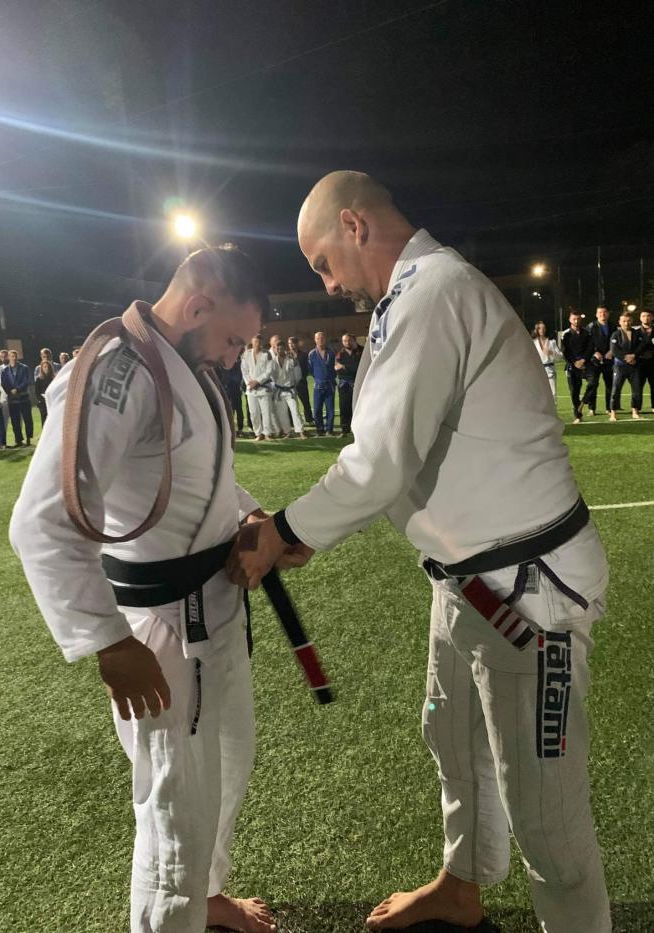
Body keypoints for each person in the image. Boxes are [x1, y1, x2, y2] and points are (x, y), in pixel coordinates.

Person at [227, 171, 612, 933]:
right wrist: (299, 525)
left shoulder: (434, 291)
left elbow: (380, 461)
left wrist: (285, 531)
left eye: (322, 263)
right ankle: (461, 887)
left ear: (354, 225)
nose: (327, 283)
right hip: (467, 581)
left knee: (547, 816)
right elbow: (389, 455)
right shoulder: (408, 298)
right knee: (454, 738)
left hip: (527, 592)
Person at [10, 245, 287, 933]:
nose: (234, 357)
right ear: (197, 306)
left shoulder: (185, 366)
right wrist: (108, 641)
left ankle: (206, 896)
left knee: (226, 769)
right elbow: (42, 522)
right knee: (174, 809)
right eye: (233, 340)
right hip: (162, 629)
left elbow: (199, 477)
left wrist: (251, 516)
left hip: (217, 610)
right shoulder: (119, 370)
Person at [561, 312, 596, 423]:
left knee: (593, 382)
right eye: (574, 319)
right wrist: (574, 362)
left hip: (586, 364)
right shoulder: (566, 334)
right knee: (574, 391)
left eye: (578, 319)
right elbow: (565, 352)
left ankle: (583, 402)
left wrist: (583, 360)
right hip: (572, 366)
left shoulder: (587, 333)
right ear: (570, 319)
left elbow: (590, 348)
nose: (576, 321)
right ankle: (578, 415)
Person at [241, 334, 276, 441]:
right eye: (256, 342)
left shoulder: (267, 354)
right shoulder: (246, 354)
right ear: (252, 342)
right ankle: (258, 433)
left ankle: (267, 433)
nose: (258, 344)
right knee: (254, 413)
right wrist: (249, 382)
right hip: (251, 389)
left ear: (262, 343)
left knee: (266, 412)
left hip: (264, 387)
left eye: (260, 342)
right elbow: (244, 370)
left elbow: (269, 371)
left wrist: (257, 381)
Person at [609, 310, 643, 421]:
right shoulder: (616, 334)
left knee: (637, 389)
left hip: (634, 366)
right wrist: (626, 359)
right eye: (624, 321)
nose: (626, 323)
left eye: (628, 321)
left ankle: (635, 411)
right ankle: (613, 413)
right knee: (616, 388)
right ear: (620, 322)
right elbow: (614, 350)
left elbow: (640, 347)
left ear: (632, 321)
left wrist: (634, 356)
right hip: (620, 366)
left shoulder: (637, 333)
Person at [272, 339, 306, 439]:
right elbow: (271, 376)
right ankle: (287, 432)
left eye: (281, 348)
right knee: (282, 413)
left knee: (295, 411)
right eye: (278, 349)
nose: (280, 350)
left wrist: (293, 385)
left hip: (290, 390)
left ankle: (300, 432)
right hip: (279, 391)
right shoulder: (273, 361)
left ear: (285, 349)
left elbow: (298, 375)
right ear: (275, 349)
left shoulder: (292, 360)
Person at [585, 306, 616, 415]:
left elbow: (616, 340)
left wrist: (611, 351)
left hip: (609, 360)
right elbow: (586, 342)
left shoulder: (613, 326)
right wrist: (594, 352)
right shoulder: (591, 326)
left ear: (608, 314)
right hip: (594, 361)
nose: (602, 314)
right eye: (600, 312)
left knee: (610, 385)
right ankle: (592, 408)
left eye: (605, 312)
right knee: (593, 384)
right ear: (596, 314)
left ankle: (609, 407)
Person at [0, 350, 33, 446]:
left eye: (15, 356)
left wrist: (17, 389)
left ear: (17, 357)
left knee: (27, 419)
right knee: (15, 421)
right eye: (12, 356)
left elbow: (26, 380)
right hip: (12, 399)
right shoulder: (5, 370)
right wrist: (10, 391)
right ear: (9, 357)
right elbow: (3, 383)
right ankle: (18, 440)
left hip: (23, 397)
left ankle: (28, 438)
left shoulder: (24, 368)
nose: (14, 358)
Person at [308, 331, 336, 436]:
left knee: (330, 410)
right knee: (317, 410)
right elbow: (310, 369)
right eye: (318, 338)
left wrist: (331, 377)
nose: (320, 340)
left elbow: (335, 367)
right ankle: (320, 430)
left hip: (329, 384)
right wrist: (318, 378)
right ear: (315, 340)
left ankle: (329, 430)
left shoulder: (331, 352)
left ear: (325, 339)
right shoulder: (312, 354)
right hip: (318, 385)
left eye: (322, 338)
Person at [335, 333, 362, 434]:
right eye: (345, 341)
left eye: (349, 340)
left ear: (353, 340)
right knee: (344, 407)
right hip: (344, 385)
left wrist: (344, 366)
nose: (347, 343)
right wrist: (349, 368)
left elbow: (358, 368)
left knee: (358, 407)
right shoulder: (340, 354)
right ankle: (345, 429)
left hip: (357, 384)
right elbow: (338, 371)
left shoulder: (360, 352)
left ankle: (358, 429)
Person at [531, 321, 561, 401]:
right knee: (539, 393)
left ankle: (553, 408)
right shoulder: (533, 343)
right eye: (540, 328)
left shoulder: (552, 342)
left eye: (544, 328)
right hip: (538, 370)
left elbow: (560, 356)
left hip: (550, 369)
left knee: (553, 393)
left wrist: (551, 352)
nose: (542, 330)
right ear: (537, 329)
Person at [217, 350, 246, 436]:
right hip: (227, 389)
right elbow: (221, 375)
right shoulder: (223, 364)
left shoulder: (238, 364)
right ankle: (230, 428)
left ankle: (239, 429)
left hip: (236, 389)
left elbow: (239, 376)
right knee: (229, 409)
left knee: (238, 409)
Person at [288, 335, 314, 423]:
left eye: (292, 343)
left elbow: (308, 367)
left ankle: (309, 419)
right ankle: (291, 421)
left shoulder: (304, 355)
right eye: (289, 343)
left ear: (297, 344)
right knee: (291, 403)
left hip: (302, 383)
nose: (291, 345)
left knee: (306, 402)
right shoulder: (286, 355)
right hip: (290, 384)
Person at [636, 308, 654, 412]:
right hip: (640, 363)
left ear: (652, 317)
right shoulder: (636, 332)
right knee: (638, 385)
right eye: (643, 316)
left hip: (653, 362)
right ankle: (637, 407)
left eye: (648, 316)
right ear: (640, 318)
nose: (646, 318)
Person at [34, 359, 56, 426]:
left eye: (48, 367)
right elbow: (37, 393)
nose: (46, 368)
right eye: (45, 367)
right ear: (42, 368)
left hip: (53, 403)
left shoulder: (54, 378)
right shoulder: (39, 379)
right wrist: (44, 399)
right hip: (43, 404)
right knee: (45, 422)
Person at [0, 349, 10, 444]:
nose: (4, 358)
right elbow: (0, 384)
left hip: (15, 397)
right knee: (4, 420)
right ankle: (2, 442)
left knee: (18, 420)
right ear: (0, 358)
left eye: (6, 356)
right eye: (2, 356)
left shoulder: (14, 367)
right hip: (4, 397)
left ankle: (19, 441)